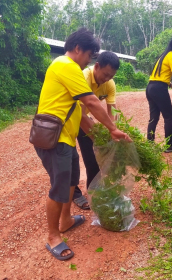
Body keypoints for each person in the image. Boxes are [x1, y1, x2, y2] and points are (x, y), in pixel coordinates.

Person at [34, 28, 131, 261]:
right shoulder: (68, 66)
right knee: (59, 187)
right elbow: (90, 102)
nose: (89, 61)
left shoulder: (66, 67)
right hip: (54, 138)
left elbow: (80, 113)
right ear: (78, 49)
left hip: (65, 137)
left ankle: (66, 220)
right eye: (89, 55)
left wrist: (100, 135)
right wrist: (113, 128)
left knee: (71, 179)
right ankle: (53, 236)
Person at [72, 51, 120, 210]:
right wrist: (98, 137)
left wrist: (114, 131)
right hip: (70, 118)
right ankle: (75, 194)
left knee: (92, 157)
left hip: (83, 116)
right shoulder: (84, 77)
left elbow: (112, 112)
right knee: (70, 158)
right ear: (97, 66)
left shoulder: (109, 83)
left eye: (111, 76)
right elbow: (81, 114)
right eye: (105, 74)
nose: (107, 79)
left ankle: (94, 191)